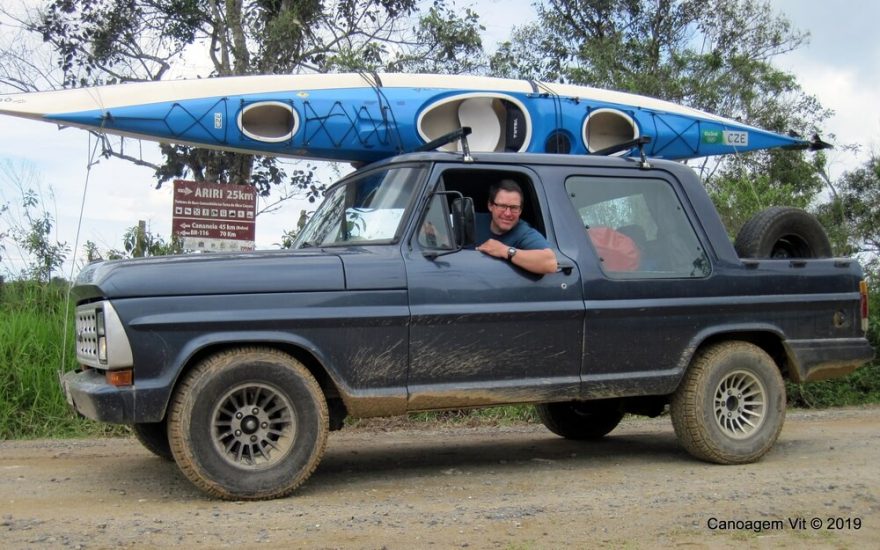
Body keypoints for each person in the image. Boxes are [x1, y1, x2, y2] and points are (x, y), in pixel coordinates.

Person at [475, 179, 558, 274]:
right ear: (490, 205)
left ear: (520, 210)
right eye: (502, 206)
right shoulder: (472, 221)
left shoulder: (524, 232)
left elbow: (550, 263)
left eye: (514, 208)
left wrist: (504, 250)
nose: (507, 213)